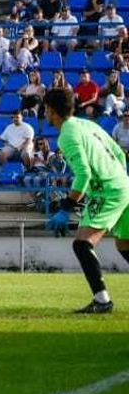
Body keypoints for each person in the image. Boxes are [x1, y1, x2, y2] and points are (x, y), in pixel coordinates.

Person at [42, 87, 129, 314]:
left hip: (108, 191)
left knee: (82, 244)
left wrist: (66, 208)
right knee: (124, 244)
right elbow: (119, 154)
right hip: (124, 185)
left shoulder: (66, 135)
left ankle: (102, 301)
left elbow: (83, 175)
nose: (45, 113)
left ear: (52, 111)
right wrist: (119, 179)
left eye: (46, 109)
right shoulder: (88, 124)